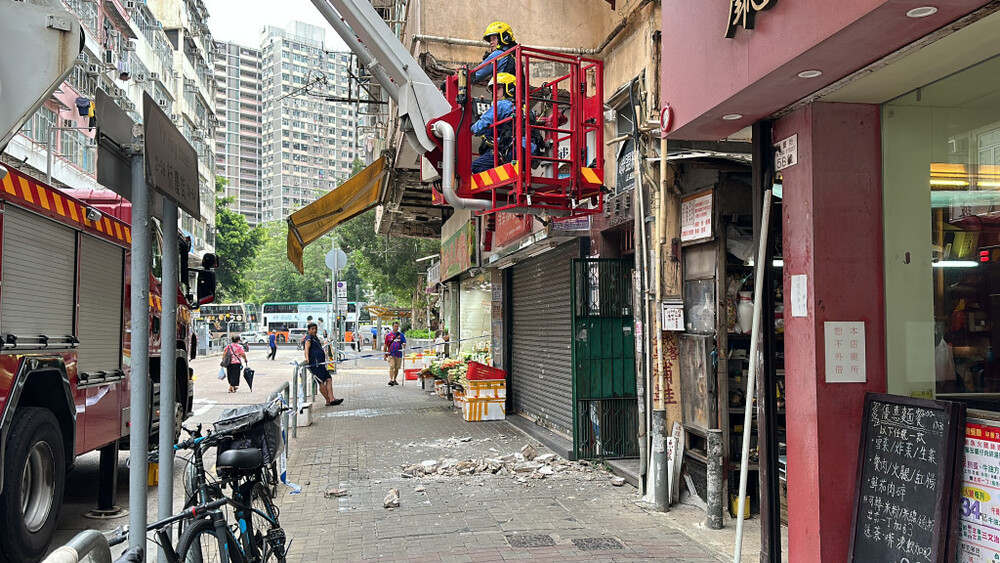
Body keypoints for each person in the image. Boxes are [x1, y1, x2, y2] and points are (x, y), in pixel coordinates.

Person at [471, 72, 539, 174]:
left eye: (498, 89)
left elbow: (480, 126)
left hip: (513, 151)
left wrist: (472, 127)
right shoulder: (527, 109)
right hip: (530, 153)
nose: (495, 94)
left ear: (509, 89)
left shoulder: (502, 104)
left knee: (476, 166)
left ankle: (503, 175)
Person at [304, 322, 343, 406]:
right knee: (321, 382)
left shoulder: (315, 338)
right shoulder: (309, 338)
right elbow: (306, 348)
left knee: (328, 379)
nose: (314, 330)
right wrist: (307, 358)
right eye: (312, 329)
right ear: (308, 330)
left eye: (315, 329)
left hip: (321, 364)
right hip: (316, 364)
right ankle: (328, 400)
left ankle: (332, 398)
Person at [384, 322, 407, 386]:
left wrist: (404, 344)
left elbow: (404, 342)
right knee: (392, 366)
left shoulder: (401, 335)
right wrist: (385, 354)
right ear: (392, 326)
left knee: (397, 367)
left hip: (398, 354)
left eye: (397, 326)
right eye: (395, 326)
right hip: (391, 354)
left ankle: (395, 379)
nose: (396, 328)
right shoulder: (388, 335)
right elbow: (385, 345)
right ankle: (391, 379)